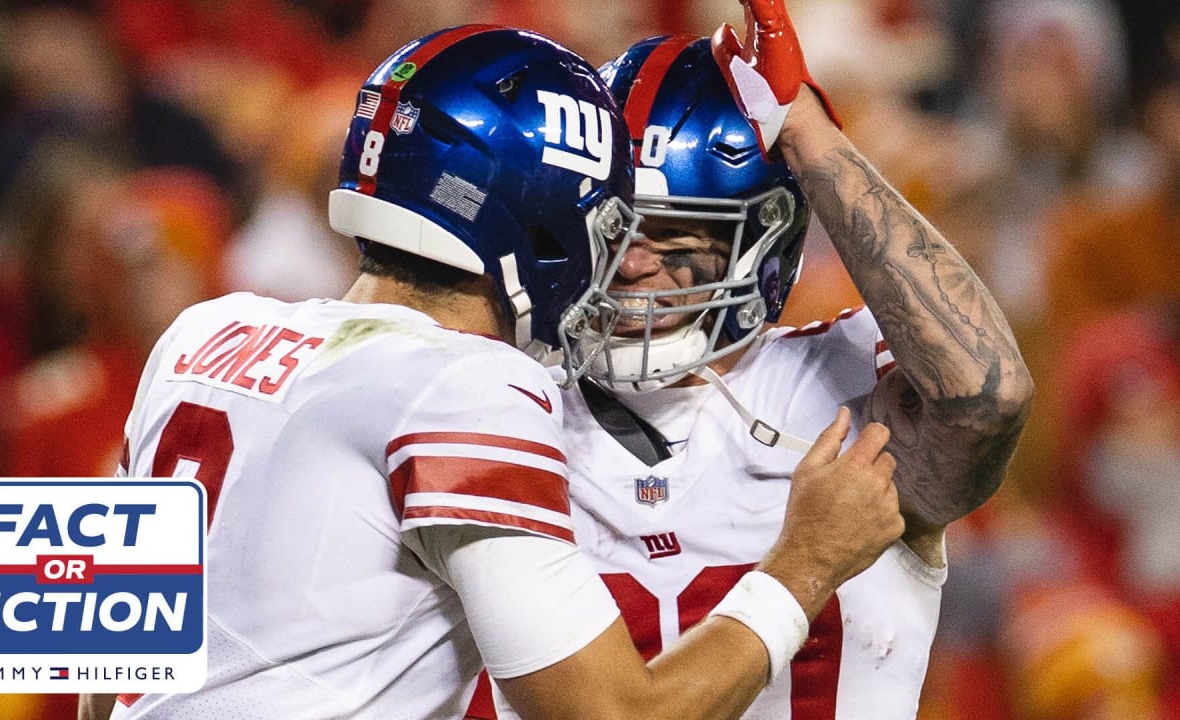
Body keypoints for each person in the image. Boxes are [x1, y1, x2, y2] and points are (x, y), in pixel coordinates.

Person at [78, 24, 905, 720]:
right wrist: (804, 567)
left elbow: (99, 657)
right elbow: (617, 716)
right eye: (607, 222)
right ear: (544, 215)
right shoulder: (465, 384)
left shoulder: (205, 333)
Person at [472, 2, 1035, 718]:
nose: (631, 264)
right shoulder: (502, 403)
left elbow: (989, 396)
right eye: (609, 229)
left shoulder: (847, 389)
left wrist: (803, 129)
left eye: (675, 235)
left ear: (769, 236)